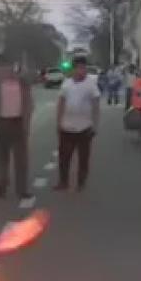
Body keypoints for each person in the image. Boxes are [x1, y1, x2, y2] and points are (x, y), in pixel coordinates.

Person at [0, 54, 34, 202]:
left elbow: (31, 79)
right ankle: (1, 186)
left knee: (21, 160)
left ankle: (22, 190)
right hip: (1, 123)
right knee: (2, 159)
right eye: (1, 68)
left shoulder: (22, 83)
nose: (4, 70)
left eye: (7, 67)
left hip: (18, 123)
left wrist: (26, 123)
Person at [55, 56, 100, 191]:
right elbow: (61, 103)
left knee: (83, 158)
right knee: (64, 157)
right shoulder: (66, 84)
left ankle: (81, 182)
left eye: (84, 68)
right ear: (73, 69)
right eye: (79, 68)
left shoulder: (90, 84)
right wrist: (58, 122)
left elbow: (96, 105)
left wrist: (95, 124)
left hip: (84, 127)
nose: (82, 71)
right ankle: (63, 182)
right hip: (67, 126)